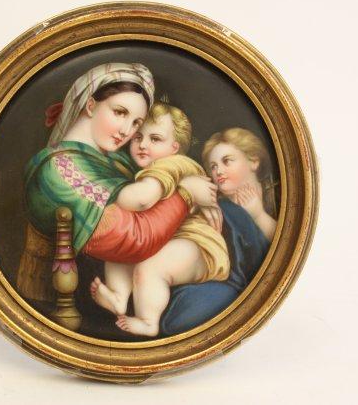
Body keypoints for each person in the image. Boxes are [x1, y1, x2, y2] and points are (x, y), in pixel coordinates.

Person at [16, 63, 220, 307]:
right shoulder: (59, 169)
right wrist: (186, 194)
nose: (126, 131)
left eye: (136, 123)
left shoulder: (115, 159)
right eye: (120, 112)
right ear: (90, 105)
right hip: (88, 304)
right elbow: (135, 239)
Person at [89, 102, 230, 337]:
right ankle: (118, 297)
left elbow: (141, 200)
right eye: (138, 137)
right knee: (122, 248)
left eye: (155, 139)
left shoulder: (172, 164)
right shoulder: (151, 167)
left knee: (149, 267)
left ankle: (148, 321)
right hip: (163, 240)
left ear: (175, 147)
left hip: (196, 247)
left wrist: (110, 196)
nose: (143, 144)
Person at [159, 127, 277, 335]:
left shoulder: (274, 202)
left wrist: (258, 215)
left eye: (227, 161)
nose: (218, 171)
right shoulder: (216, 209)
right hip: (207, 291)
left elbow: (280, 250)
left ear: (253, 161)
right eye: (213, 166)